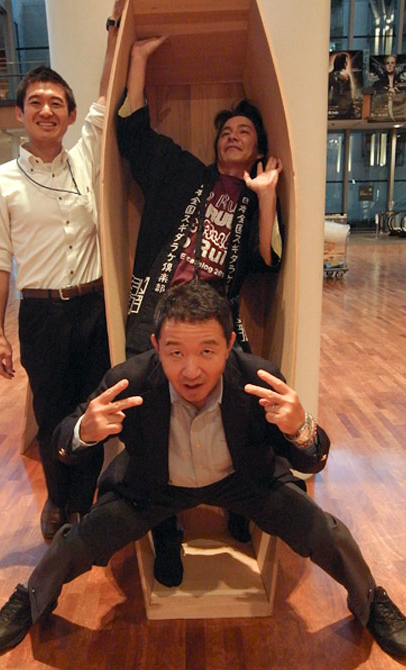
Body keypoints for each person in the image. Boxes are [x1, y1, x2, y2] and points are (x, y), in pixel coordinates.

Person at [0, 282, 406, 662]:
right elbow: (62, 443)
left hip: (244, 483)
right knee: (79, 540)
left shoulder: (259, 379)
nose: (191, 370)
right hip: (154, 488)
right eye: (175, 352)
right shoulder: (129, 381)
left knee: (325, 531)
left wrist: (301, 428)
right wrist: (84, 430)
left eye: (207, 350)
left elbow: (311, 460)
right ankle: (32, 599)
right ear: (155, 346)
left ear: (230, 345)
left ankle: (370, 600)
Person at [116, 36, 284, 580]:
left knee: (245, 410)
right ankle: (165, 532)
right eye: (226, 130)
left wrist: (266, 195)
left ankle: (240, 501)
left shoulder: (254, 200)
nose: (232, 136)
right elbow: (134, 132)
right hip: (158, 314)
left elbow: (267, 261)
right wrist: (138, 60)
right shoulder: (183, 172)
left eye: (244, 132)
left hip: (217, 326)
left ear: (257, 150)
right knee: (150, 424)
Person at [0, 0, 131, 539]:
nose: (47, 110)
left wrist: (115, 30)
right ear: (21, 113)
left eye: (57, 104)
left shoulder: (85, 157)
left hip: (92, 307)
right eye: (37, 102)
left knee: (93, 406)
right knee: (50, 410)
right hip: (41, 313)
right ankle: (57, 499)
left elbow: (105, 97)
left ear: (68, 117)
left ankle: (82, 501)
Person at [371, 54, 406, 121]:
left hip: (399, 113)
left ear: (395, 65)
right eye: (387, 63)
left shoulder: (403, 83)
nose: (390, 65)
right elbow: (375, 100)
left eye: (392, 63)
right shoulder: (377, 84)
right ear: (384, 65)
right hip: (382, 114)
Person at [328, 52, 356, 119]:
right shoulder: (335, 75)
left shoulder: (332, 75)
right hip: (341, 104)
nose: (346, 64)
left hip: (345, 104)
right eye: (345, 62)